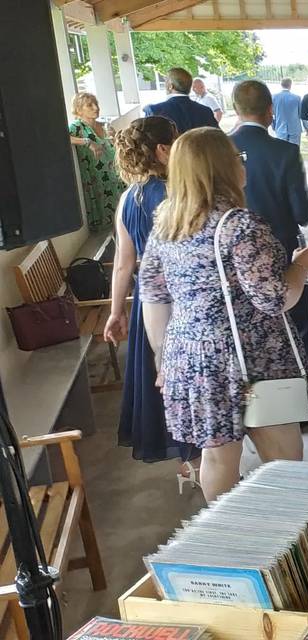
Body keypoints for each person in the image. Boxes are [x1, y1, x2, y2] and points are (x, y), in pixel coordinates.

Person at [139, 127, 308, 502]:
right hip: (251, 357)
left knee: (218, 457)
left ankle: (227, 541)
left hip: (192, 356)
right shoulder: (239, 226)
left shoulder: (168, 223)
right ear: (224, 167)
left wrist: (163, 358)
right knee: (283, 459)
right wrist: (302, 266)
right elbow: (274, 299)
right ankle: (286, 544)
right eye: (237, 159)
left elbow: (154, 296)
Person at [106, 116, 198, 488]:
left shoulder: (128, 198)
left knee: (165, 377)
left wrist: (116, 312)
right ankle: (207, 458)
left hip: (149, 301)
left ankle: (186, 465)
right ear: (162, 150)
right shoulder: (182, 192)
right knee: (193, 375)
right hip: (186, 296)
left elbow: (123, 263)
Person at [231, 80, 308, 359]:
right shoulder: (284, 152)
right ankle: (299, 391)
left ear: (236, 109)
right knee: (297, 327)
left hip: (230, 257)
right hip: (282, 251)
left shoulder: (219, 149)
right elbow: (302, 213)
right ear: (271, 111)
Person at [68, 93, 124, 231]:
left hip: (116, 176)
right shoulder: (77, 127)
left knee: (123, 216)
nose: (96, 108)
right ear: (79, 109)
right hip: (97, 180)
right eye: (90, 105)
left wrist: (116, 137)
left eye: (96, 104)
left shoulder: (105, 125)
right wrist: (87, 142)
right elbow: (62, 137)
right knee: (108, 222)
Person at [143, 67, 219, 133]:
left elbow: (148, 145)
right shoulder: (206, 111)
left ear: (170, 86)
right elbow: (218, 140)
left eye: (165, 81)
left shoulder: (155, 111)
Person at [271, 78, 303, 144]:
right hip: (295, 128)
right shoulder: (297, 98)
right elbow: (300, 115)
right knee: (294, 150)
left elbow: (271, 113)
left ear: (281, 85)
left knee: (282, 151)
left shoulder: (273, 97)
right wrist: (306, 127)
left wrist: (273, 126)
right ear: (290, 85)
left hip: (280, 128)